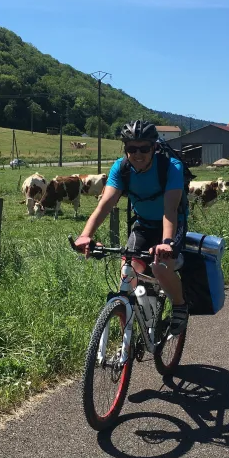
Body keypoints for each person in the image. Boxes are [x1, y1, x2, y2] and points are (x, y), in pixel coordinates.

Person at [74, 120, 189, 334]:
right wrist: (85, 235)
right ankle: (127, 342)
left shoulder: (170, 167)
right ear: (125, 149)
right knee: (127, 274)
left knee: (160, 266)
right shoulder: (121, 168)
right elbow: (105, 204)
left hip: (172, 224)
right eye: (131, 148)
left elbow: (170, 209)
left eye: (144, 148)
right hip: (143, 224)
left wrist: (166, 243)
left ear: (154, 147)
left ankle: (180, 305)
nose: (138, 154)